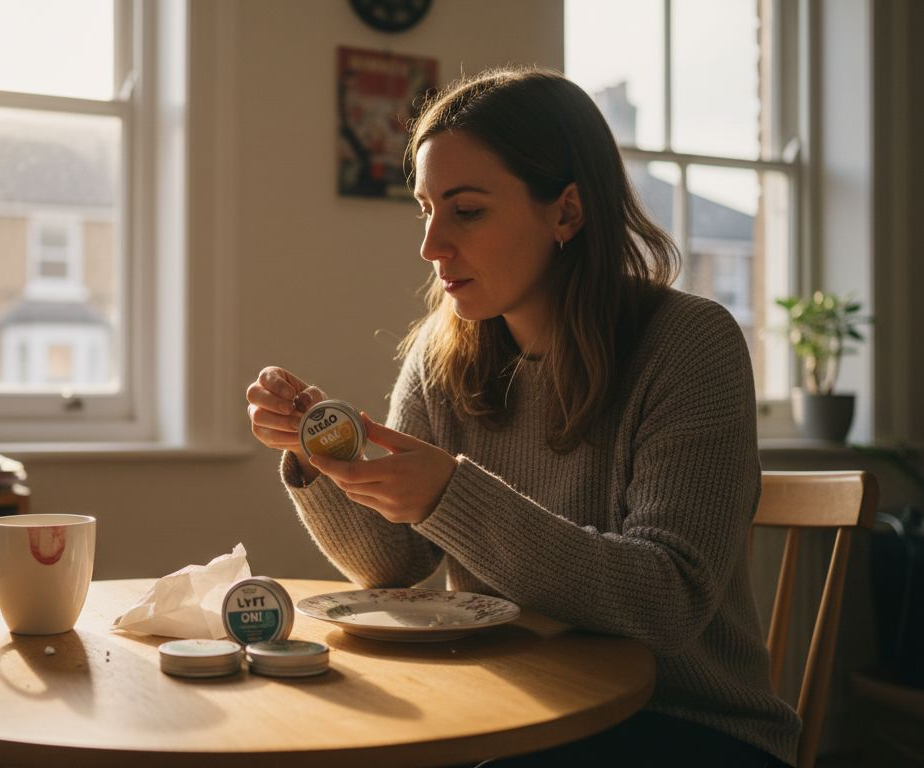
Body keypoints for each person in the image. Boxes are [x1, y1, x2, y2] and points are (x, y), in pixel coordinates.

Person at [244, 67, 798, 767]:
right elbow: (394, 564)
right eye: (426, 209)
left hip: (688, 724)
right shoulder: (443, 355)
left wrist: (451, 496)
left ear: (566, 213)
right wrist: (322, 461)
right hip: (513, 710)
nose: (431, 245)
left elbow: (667, 601)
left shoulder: (690, 343)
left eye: (467, 211)